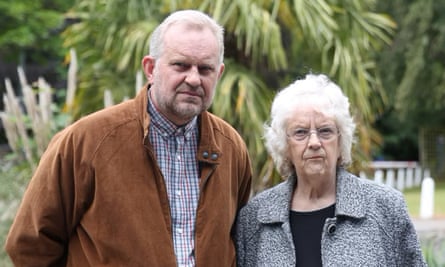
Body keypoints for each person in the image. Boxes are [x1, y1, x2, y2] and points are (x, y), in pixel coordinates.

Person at [6, 9, 252, 267]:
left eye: (205, 69)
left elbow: (240, 241)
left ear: (219, 73)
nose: (193, 78)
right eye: (180, 65)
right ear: (150, 68)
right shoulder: (87, 141)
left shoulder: (231, 148)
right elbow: (30, 244)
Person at [235, 74, 426, 266]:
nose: (315, 143)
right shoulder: (254, 219)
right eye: (300, 132)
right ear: (285, 146)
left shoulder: (386, 207)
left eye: (325, 131)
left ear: (341, 140)